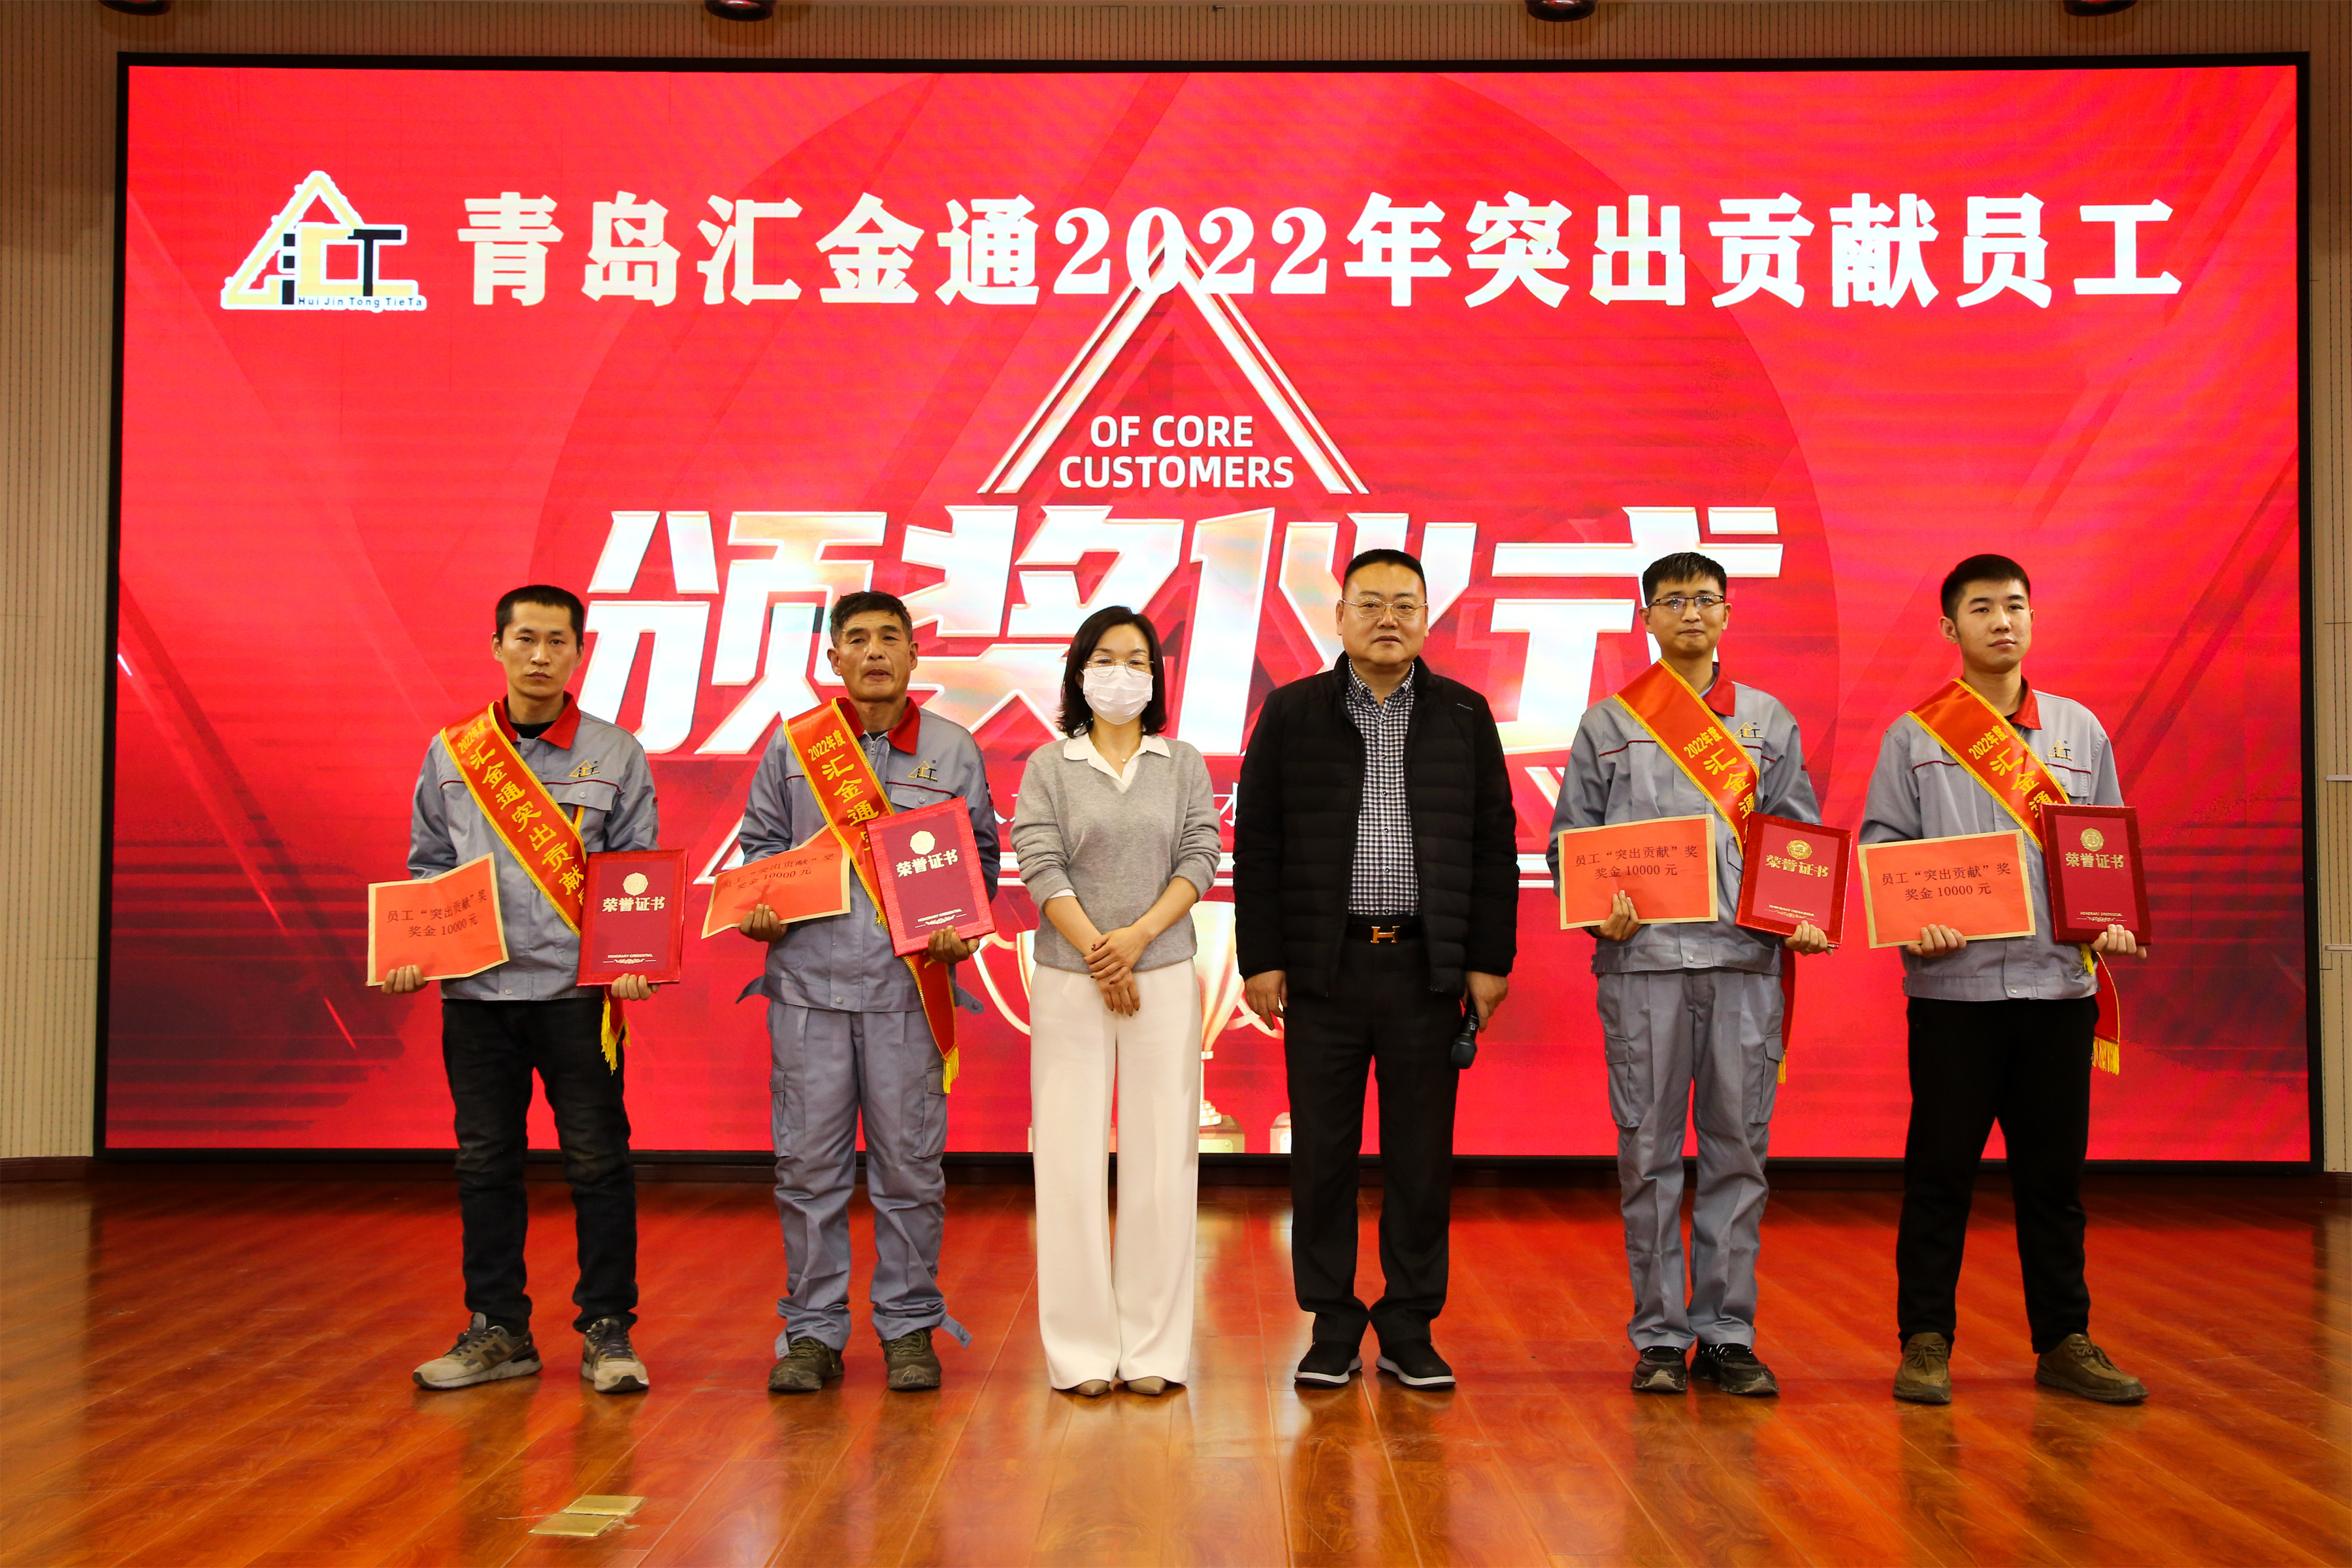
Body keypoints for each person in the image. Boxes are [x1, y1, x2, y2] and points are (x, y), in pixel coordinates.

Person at [1859, 554, 2148, 1407]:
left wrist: (2113, 919)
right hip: (1954, 995)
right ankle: (1925, 1341)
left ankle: (2064, 1340)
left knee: (2054, 1182)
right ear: (1950, 627)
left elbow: (2104, 847)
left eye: (2015, 606)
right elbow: (1883, 852)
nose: (2001, 621)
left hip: (2059, 993)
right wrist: (1917, 917)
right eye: (1982, 608)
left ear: (2032, 618)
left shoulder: (2078, 730)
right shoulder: (1915, 736)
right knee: (1939, 1175)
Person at [1235, 547, 1518, 1391]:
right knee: (1322, 1154)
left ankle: (1408, 1324)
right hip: (1324, 968)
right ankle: (1330, 1322)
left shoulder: (1464, 714)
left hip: (1425, 969)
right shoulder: (1293, 712)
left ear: (1427, 618)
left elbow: (1493, 846)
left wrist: (1488, 960)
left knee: (1420, 1157)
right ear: (1340, 617)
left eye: (1405, 604)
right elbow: (1259, 845)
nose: (1388, 619)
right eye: (1370, 603)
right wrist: (1262, 959)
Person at [1549, 551, 1829, 1399]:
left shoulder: (1767, 720)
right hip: (1643, 964)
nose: (1691, 613)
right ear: (1647, 617)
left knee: (1739, 1151)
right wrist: (1598, 911)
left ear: (1728, 614)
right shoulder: (1610, 721)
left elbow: (1797, 838)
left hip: (1744, 963)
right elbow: (1569, 844)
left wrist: (1804, 914)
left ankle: (1728, 1334)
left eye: (1706, 599)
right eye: (1673, 600)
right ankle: (1662, 1338)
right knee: (1648, 1152)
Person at [391, 585, 659, 1396]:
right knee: (484, 1164)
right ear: (498, 646)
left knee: (598, 1163)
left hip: (577, 997)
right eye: (526, 639)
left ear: (578, 652)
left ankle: (607, 1330)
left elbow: (636, 872)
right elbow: (429, 866)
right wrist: (412, 948)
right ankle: (498, 1329)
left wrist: (636, 956)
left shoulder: (616, 751)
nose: (541, 656)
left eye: (557, 642)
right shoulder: (453, 751)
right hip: (475, 998)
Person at [735, 590, 999, 1394]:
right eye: (857, 639)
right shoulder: (794, 747)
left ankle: (909, 1327)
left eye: (890, 638)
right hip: (807, 995)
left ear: (915, 655)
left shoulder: (953, 749)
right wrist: (759, 908)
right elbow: (758, 856)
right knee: (808, 1171)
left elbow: (980, 862)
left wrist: (963, 926)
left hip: (907, 995)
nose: (875, 651)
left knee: (910, 1171)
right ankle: (812, 1334)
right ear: (833, 658)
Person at [1011, 606, 1223, 1398]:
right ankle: (1080, 1352)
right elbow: (1039, 860)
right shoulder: (1050, 764)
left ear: (1156, 679)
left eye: (1138, 661)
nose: (1121, 674)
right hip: (1071, 976)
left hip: (1161, 969)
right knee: (1067, 1159)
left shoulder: (1182, 762)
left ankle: (1155, 1350)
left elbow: (1201, 854)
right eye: (1105, 659)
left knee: (1163, 1157)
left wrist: (1135, 939)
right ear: (1079, 671)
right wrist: (1100, 951)